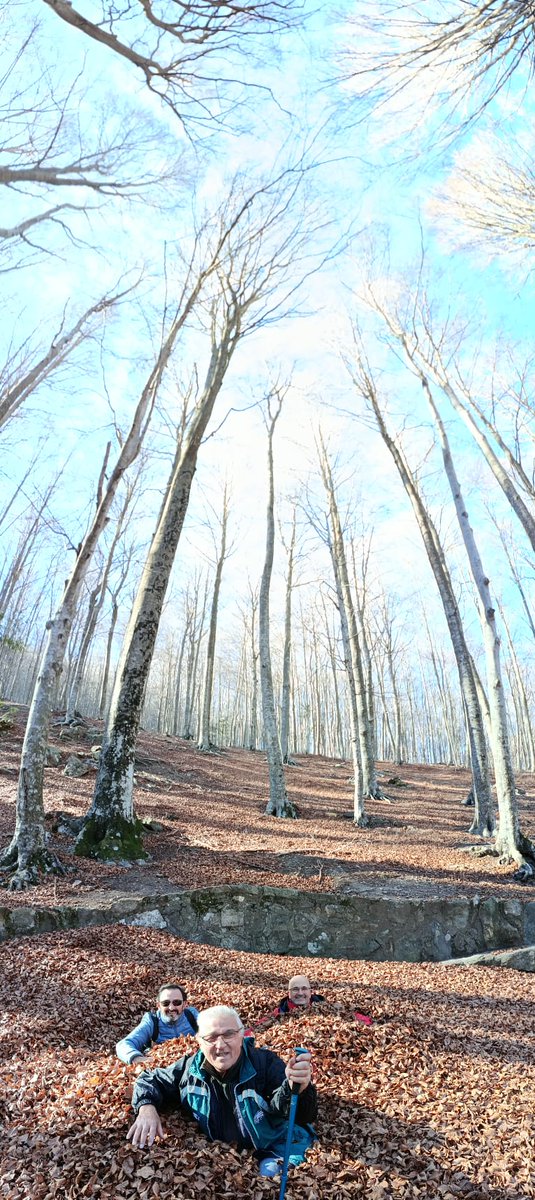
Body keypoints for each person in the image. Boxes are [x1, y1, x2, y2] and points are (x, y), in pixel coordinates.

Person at [127, 1004, 317, 1178]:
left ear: (242, 1036)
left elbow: (299, 1115)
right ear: (199, 1042)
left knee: (268, 1175)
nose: (220, 1045)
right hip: (224, 1154)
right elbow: (151, 1079)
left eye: (229, 1035)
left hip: (276, 1145)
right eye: (211, 1038)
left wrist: (299, 1088)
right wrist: (146, 1108)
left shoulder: (264, 1063)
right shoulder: (189, 1068)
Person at [116, 983, 199, 1068]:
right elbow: (123, 1045)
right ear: (158, 1005)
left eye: (176, 1002)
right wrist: (138, 1058)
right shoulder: (152, 1021)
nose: (171, 1008)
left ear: (185, 1004)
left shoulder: (192, 1015)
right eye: (165, 1003)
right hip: (163, 1069)